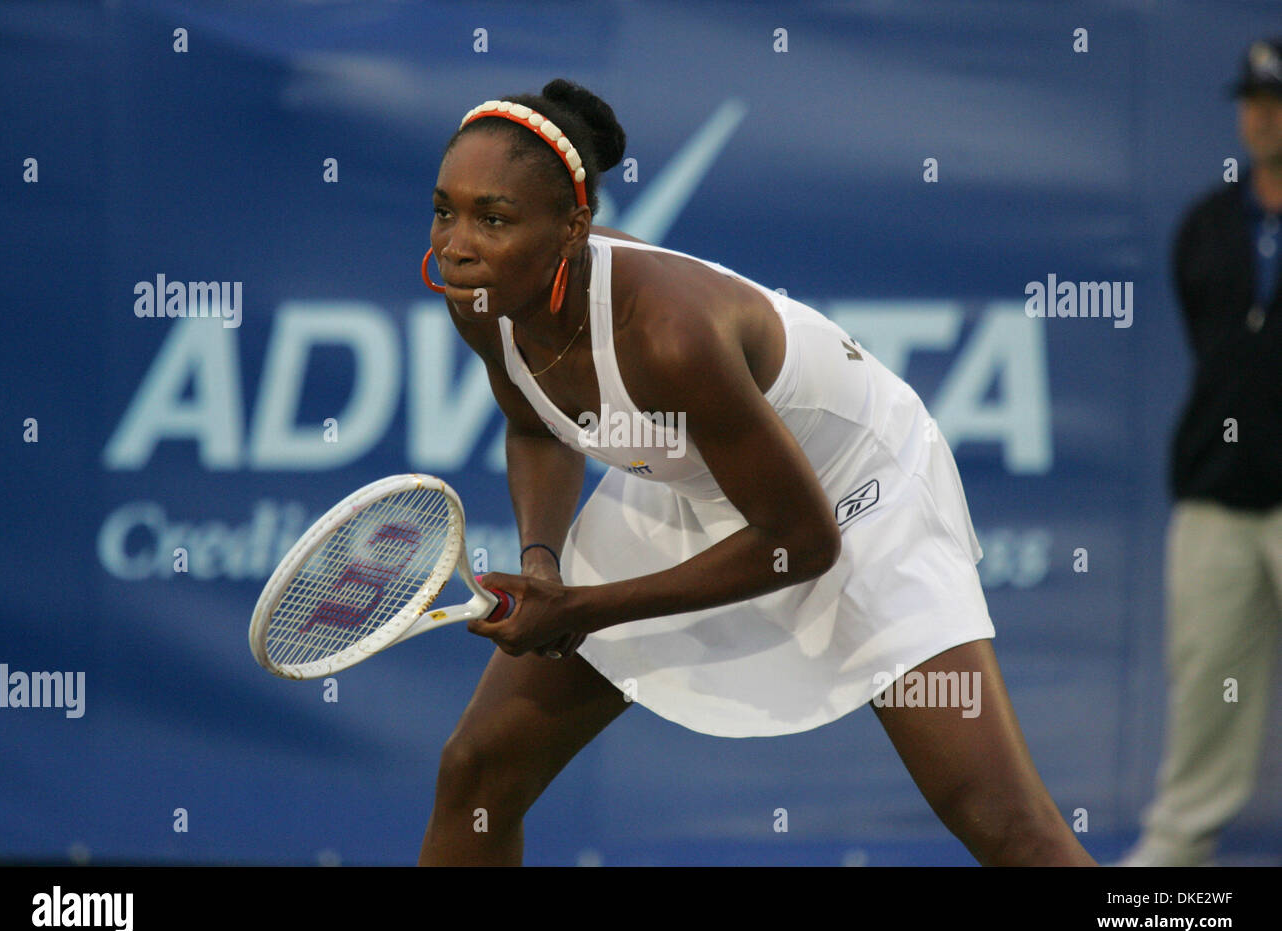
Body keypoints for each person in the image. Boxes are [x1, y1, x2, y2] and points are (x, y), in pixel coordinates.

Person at [416, 78, 1095, 866]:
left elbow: (802, 544)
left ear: (574, 228)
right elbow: (537, 424)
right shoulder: (478, 296)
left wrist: (586, 608)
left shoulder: (671, 335)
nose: (456, 244)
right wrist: (544, 562)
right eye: (444, 211)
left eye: (493, 219)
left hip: (855, 497)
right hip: (693, 483)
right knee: (476, 773)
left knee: (1004, 822)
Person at [1119, 39, 1282, 867]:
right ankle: (1177, 853)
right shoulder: (1209, 225)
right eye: (1251, 98)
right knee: (1206, 683)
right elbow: (1212, 343)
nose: (1260, 113)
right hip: (1218, 497)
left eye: (1276, 97)